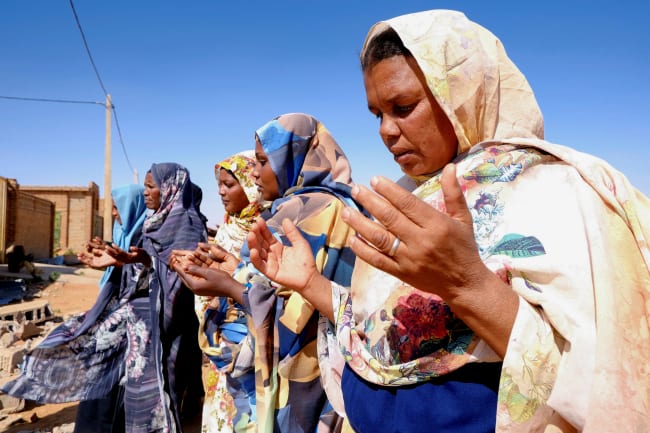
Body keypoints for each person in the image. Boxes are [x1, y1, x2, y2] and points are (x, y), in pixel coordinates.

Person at [245, 10, 650, 433]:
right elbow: (383, 330)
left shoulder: (558, 189)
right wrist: (311, 284)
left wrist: (468, 285)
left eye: (403, 107)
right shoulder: (411, 196)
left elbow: (607, 371)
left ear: (462, 92)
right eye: (377, 114)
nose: (386, 130)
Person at [172, 113, 360, 433]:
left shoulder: (303, 212)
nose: (256, 173)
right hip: (335, 373)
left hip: (302, 373)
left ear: (292, 158)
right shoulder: (339, 206)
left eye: (262, 161)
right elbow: (284, 285)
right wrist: (234, 269)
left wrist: (231, 287)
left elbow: (294, 308)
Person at [0, 183, 147, 433]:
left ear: (131, 207)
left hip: (129, 326)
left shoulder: (144, 239)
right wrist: (107, 261)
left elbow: (145, 279)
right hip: (111, 315)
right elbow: (119, 278)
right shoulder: (127, 233)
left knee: (108, 388)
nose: (113, 213)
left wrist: (120, 265)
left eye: (116, 208)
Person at [193, 151, 263, 432]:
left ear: (250, 186)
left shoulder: (266, 229)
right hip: (218, 346)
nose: (221, 191)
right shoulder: (226, 231)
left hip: (253, 349)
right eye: (219, 184)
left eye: (229, 184)